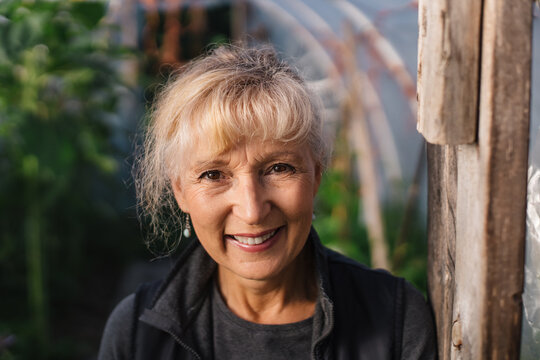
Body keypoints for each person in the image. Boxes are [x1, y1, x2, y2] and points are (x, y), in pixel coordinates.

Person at [98, 45, 436, 360]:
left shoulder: (397, 320)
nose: (252, 210)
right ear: (180, 192)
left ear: (316, 176)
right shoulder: (136, 334)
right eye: (214, 175)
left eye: (278, 168)